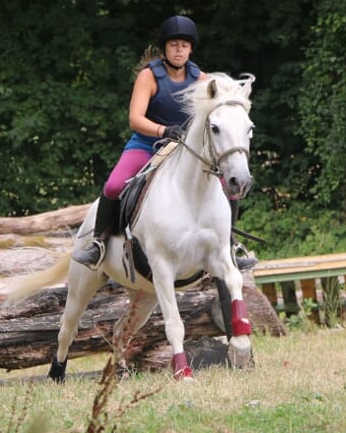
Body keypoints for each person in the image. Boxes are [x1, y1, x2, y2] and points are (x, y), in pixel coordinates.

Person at [72, 15, 257, 272]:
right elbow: (135, 118)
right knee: (114, 185)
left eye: (184, 45)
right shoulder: (149, 77)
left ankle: (231, 245)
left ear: (191, 48)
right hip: (147, 145)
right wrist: (163, 130)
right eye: (174, 45)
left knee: (229, 184)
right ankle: (98, 244)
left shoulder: (202, 79)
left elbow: (217, 116)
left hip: (186, 150)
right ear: (165, 48)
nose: (179, 49)